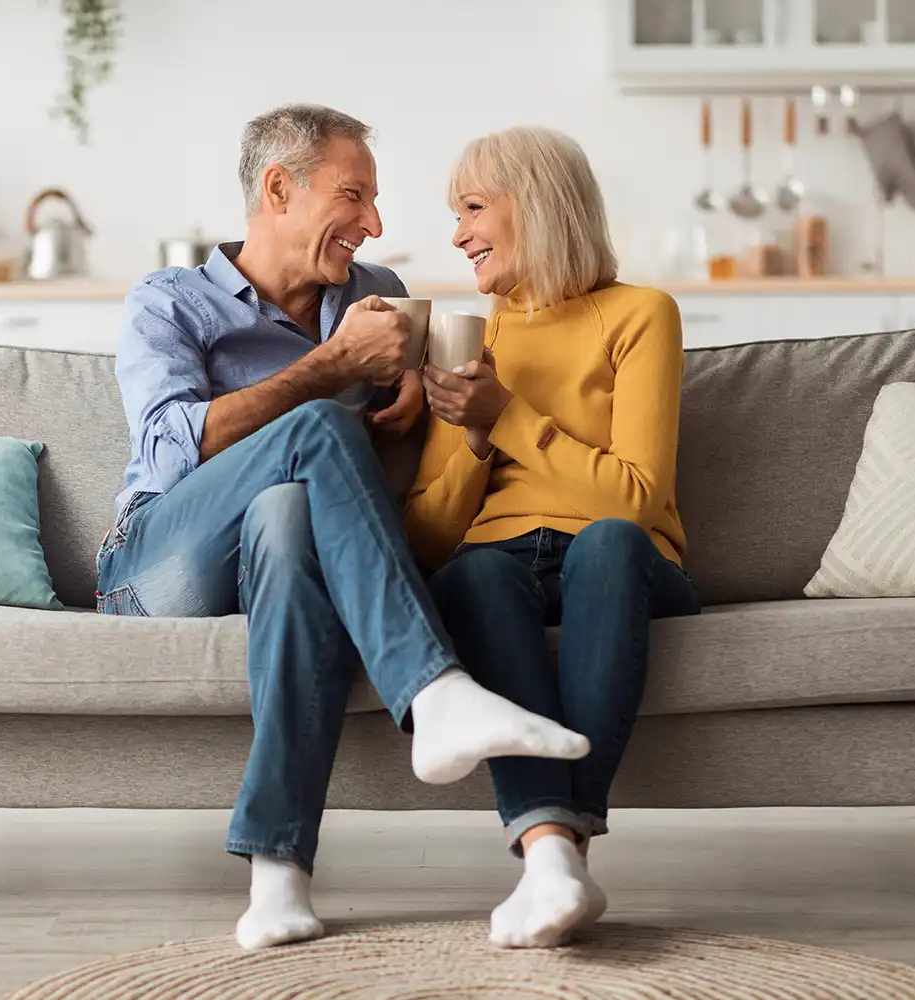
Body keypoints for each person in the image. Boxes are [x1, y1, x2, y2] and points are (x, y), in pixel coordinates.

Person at [99, 105, 590, 952]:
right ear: (278, 189)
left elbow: (413, 445)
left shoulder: (378, 296)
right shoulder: (168, 301)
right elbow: (172, 451)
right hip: (158, 562)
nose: (374, 224)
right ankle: (434, 691)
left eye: (374, 200)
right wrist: (329, 370)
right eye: (353, 196)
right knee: (318, 428)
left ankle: (277, 872)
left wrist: (420, 399)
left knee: (288, 514)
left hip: (280, 562)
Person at [405, 126, 700, 949]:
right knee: (472, 577)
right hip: (499, 560)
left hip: (625, 561)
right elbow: (426, 538)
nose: (457, 235)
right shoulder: (472, 338)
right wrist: (471, 440)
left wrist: (507, 416)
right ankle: (550, 861)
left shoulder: (639, 315)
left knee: (605, 543)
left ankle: (564, 842)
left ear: (533, 206)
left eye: (471, 209)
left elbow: (633, 502)